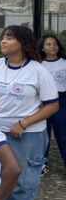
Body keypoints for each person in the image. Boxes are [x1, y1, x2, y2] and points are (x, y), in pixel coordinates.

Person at [0, 25, 59, 200]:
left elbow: (52, 105)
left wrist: (23, 123)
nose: (3, 41)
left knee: (21, 184)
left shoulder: (38, 70)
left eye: (9, 38)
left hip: (27, 137)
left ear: (23, 43)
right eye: (3, 37)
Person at [39, 34, 66, 173]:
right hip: (42, 102)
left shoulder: (64, 63)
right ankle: (42, 163)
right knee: (44, 134)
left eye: (55, 43)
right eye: (48, 44)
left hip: (61, 100)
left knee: (62, 135)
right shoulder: (38, 64)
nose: (53, 46)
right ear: (42, 48)